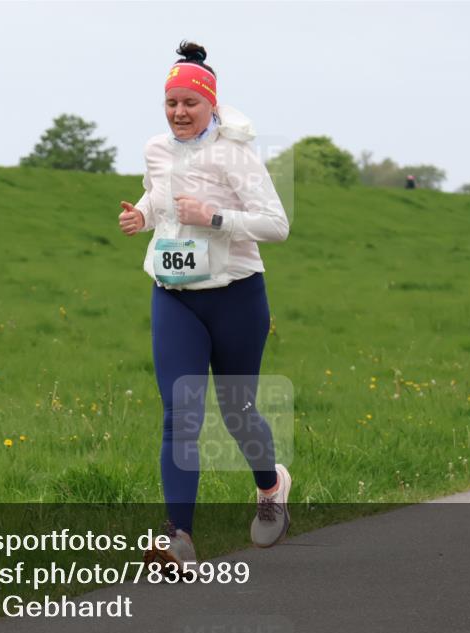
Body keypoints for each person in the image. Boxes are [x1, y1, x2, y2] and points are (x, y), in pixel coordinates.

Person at [117, 41, 292, 570]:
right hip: (174, 295)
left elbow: (277, 225)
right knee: (180, 414)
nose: (178, 112)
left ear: (210, 104)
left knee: (238, 413)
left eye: (189, 103)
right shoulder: (155, 149)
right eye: (171, 103)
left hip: (236, 296)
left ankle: (270, 485)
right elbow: (159, 196)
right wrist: (142, 217)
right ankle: (179, 539)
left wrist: (215, 217)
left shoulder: (237, 155)